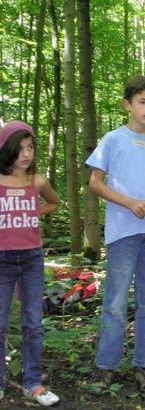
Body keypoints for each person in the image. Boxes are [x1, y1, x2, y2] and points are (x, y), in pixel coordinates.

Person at [85, 76, 145, 395]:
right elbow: (95, 182)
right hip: (122, 232)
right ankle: (105, 367)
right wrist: (129, 202)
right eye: (142, 101)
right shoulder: (113, 140)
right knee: (114, 302)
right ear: (128, 105)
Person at [0, 121, 60, 407]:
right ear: (7, 149)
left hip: (32, 259)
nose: (26, 154)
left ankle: (33, 383)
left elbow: (53, 202)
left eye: (30, 147)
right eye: (20, 148)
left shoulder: (38, 181)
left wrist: (34, 213)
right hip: (2, 261)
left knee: (33, 324)